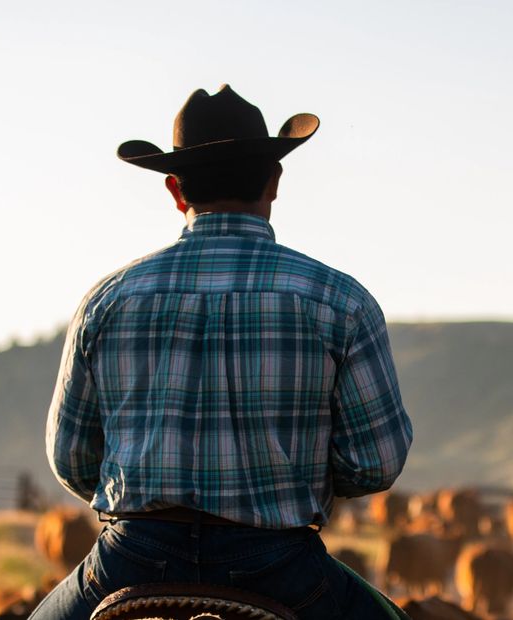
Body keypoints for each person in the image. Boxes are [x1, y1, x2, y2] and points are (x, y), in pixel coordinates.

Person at [31, 85, 414, 620]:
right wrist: (302, 474)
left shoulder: (108, 301)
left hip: (132, 557)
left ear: (174, 191)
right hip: (282, 565)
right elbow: (375, 464)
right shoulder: (340, 301)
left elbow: (72, 459)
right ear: (274, 182)